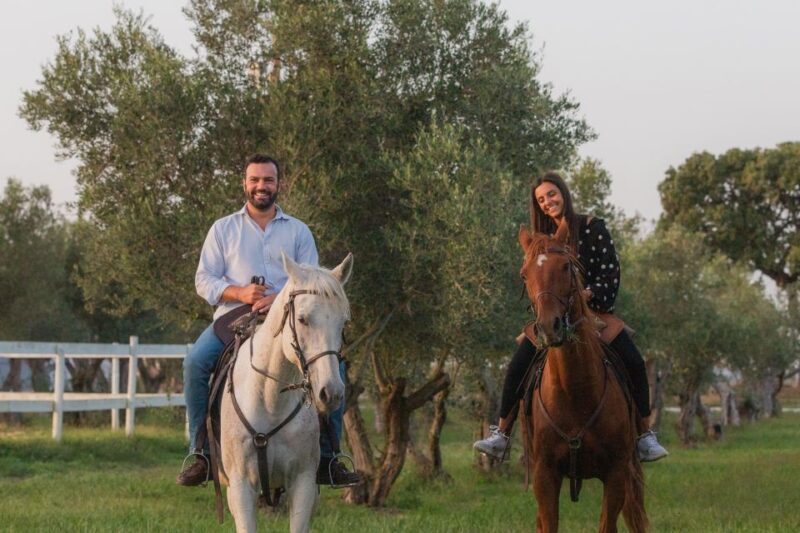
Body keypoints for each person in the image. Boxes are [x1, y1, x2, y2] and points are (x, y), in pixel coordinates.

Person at [177, 153, 361, 487]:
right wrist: (241, 293)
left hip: (288, 317)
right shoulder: (223, 229)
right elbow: (204, 280)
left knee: (336, 369)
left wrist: (277, 298)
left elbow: (313, 283)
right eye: (255, 180)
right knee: (194, 364)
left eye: (268, 180)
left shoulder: (299, 232)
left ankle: (329, 457)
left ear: (279, 184)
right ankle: (200, 454)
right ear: (245, 184)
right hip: (233, 316)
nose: (262, 186)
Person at [473, 171, 668, 462]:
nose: (547, 201)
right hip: (553, 314)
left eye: (551, 194)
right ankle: (502, 434)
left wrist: (586, 295)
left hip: (594, 313)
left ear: (563, 192)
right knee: (517, 365)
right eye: (541, 199)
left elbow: (611, 272)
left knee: (634, 362)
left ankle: (644, 436)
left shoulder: (592, 227)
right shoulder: (540, 242)